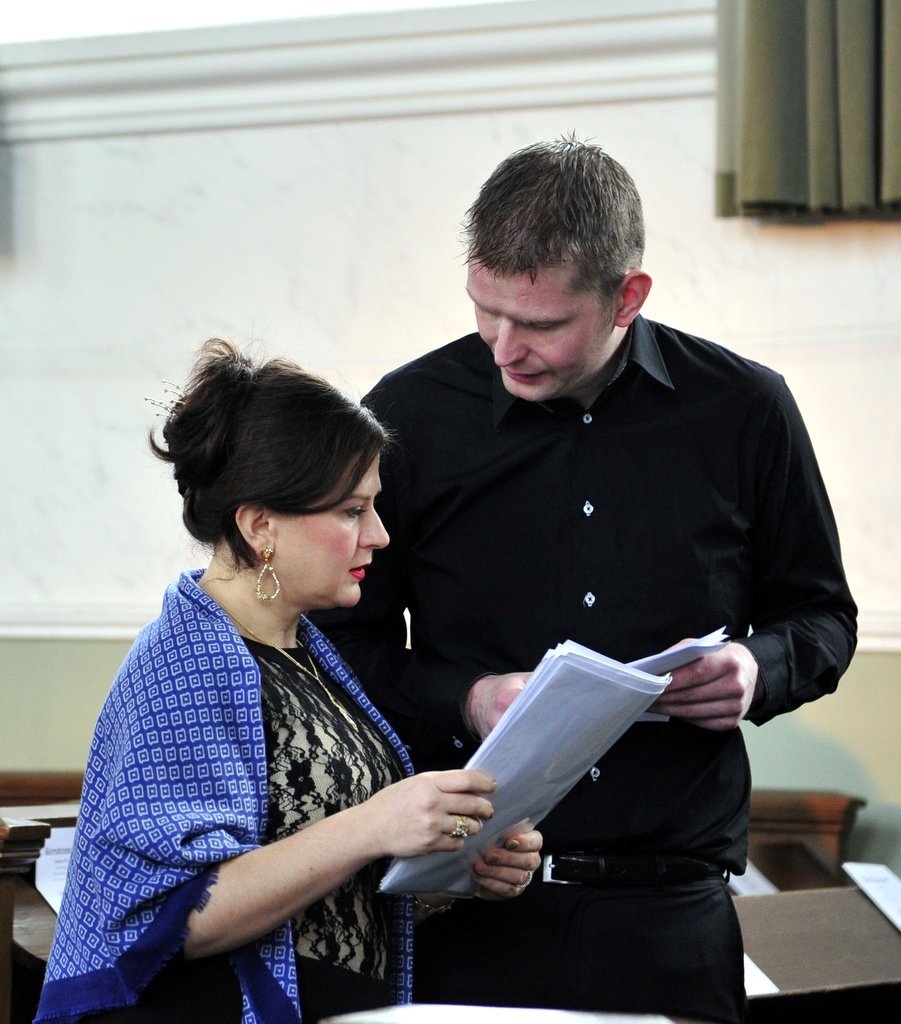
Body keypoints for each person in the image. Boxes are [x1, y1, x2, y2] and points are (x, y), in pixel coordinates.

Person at [313, 137, 858, 1024]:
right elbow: (337, 647)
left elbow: (822, 616)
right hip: (468, 901)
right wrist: (467, 698)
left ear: (626, 297)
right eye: (486, 311)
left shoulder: (745, 409)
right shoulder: (410, 415)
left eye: (539, 324)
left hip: (672, 910)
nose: (504, 348)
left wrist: (757, 670)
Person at [34, 338, 541, 1024]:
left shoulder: (306, 652)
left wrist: (454, 872)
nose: (380, 535)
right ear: (260, 526)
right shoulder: (186, 662)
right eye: (352, 511)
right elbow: (172, 917)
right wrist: (374, 825)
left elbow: (321, 886)